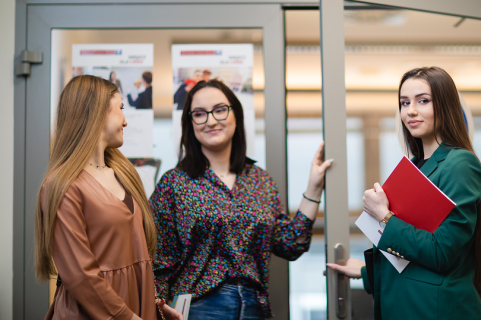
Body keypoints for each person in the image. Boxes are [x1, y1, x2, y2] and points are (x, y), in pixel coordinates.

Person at [151, 79, 332, 319]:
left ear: (236, 114)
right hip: (197, 307)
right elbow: (159, 259)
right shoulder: (174, 183)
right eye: (199, 114)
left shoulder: (260, 180)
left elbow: (290, 244)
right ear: (190, 123)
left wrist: (314, 188)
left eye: (219, 110)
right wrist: (159, 308)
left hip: (254, 306)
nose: (211, 120)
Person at [327, 67, 481, 320]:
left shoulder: (460, 163)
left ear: (446, 106)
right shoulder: (415, 166)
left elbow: (442, 253)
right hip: (411, 305)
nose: (410, 111)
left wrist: (384, 216)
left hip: (439, 310)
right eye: (404, 103)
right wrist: (365, 272)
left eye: (422, 101)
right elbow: (412, 255)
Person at [34, 75, 182, 320]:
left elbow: (135, 255)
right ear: (96, 111)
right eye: (121, 109)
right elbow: (81, 275)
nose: (125, 121)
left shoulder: (125, 175)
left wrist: (155, 305)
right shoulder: (62, 185)